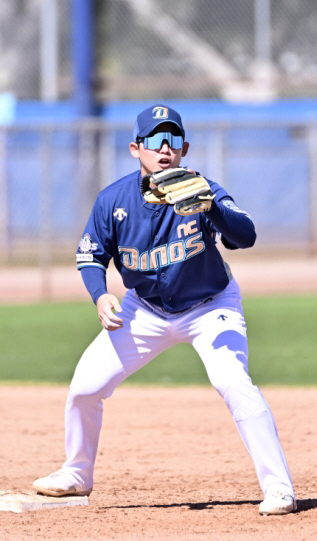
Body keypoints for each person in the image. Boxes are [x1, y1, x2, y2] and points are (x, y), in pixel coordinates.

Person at [32, 105, 297, 516]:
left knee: (232, 381)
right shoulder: (113, 200)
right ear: (135, 148)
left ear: (185, 148)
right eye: (155, 140)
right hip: (144, 311)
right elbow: (90, 256)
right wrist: (101, 295)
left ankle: (279, 489)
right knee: (85, 387)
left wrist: (211, 207)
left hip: (210, 307)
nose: (165, 149)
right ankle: (77, 473)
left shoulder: (201, 190)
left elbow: (246, 236)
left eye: (173, 140)